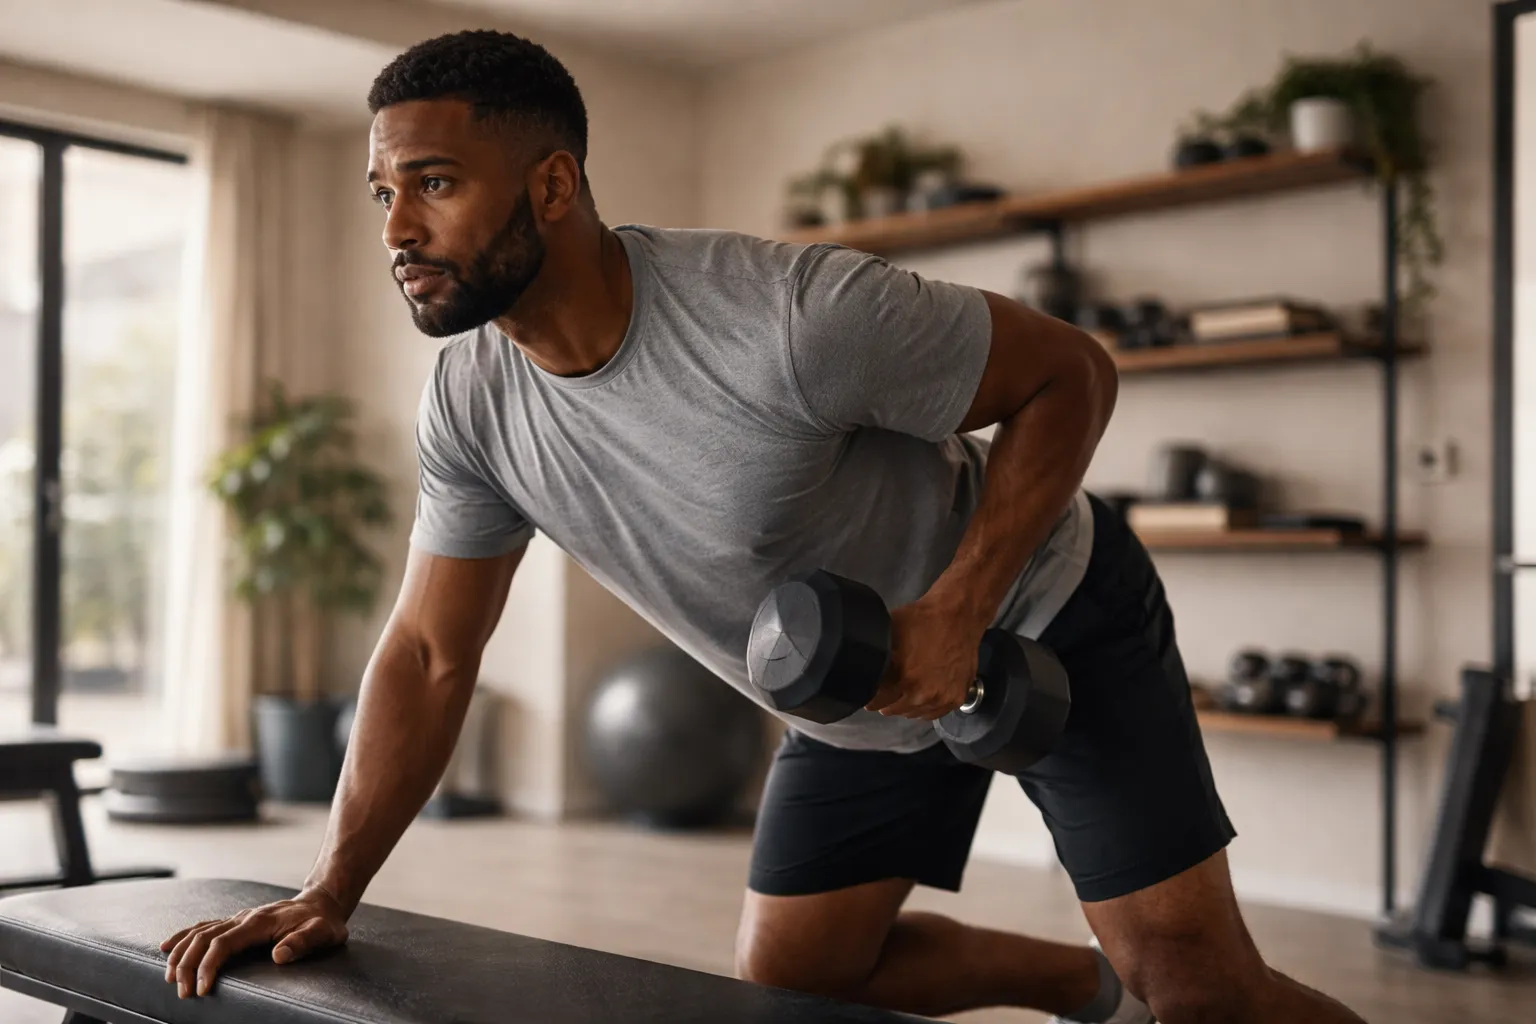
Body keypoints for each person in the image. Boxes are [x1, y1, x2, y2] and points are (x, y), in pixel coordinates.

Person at [160, 30, 1368, 1024]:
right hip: (849, 691)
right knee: (796, 980)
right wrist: (331, 889)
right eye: (384, 190)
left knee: (1202, 991)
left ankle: (1150, 978)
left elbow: (1074, 375)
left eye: (433, 184)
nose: (396, 231)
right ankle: (1077, 983)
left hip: (1045, 611)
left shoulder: (787, 317)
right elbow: (430, 652)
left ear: (553, 184)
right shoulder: (473, 403)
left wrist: (952, 610)